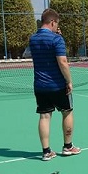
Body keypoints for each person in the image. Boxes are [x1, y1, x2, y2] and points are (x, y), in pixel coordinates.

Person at [29, 8, 81, 160]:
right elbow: (62, 62)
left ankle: (46, 152)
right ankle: (68, 147)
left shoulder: (33, 39)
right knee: (67, 112)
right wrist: (69, 81)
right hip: (57, 85)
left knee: (44, 116)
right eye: (56, 23)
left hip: (39, 86)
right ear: (52, 22)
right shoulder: (57, 39)